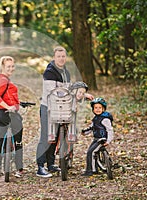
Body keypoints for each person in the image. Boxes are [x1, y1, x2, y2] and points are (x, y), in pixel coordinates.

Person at [36, 46, 94, 178]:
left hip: (61, 108)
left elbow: (70, 88)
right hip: (48, 107)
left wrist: (83, 95)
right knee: (46, 136)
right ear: (54, 57)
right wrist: (69, 93)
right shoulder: (49, 72)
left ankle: (50, 164)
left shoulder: (66, 72)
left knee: (55, 136)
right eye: (59, 56)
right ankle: (40, 166)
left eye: (63, 56)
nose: (61, 59)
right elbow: (55, 92)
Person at [0, 56, 24, 178]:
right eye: (8, 66)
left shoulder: (2, 79)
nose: (11, 68)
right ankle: (19, 168)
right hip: (5, 113)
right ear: (2, 67)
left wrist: (15, 105)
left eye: (12, 66)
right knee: (18, 139)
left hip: (0, 114)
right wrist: (7, 107)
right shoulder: (3, 80)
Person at [81, 97, 114, 176]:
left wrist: (108, 141)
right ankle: (94, 167)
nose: (98, 109)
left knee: (91, 152)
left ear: (103, 109)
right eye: (96, 108)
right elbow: (91, 128)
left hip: (102, 139)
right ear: (93, 109)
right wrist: (84, 132)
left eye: (100, 108)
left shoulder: (105, 119)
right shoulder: (95, 119)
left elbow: (110, 130)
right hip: (96, 139)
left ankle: (92, 170)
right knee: (89, 151)